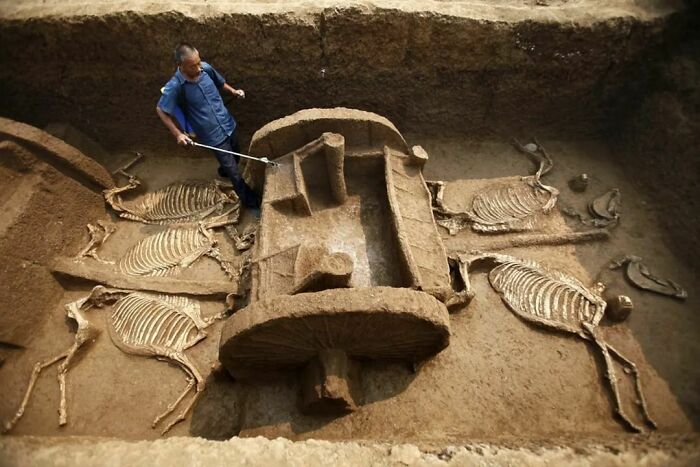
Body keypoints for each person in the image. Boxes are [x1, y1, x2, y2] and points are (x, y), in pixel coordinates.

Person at [156, 42, 260, 210]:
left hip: (227, 123)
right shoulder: (175, 86)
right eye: (192, 66)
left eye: (199, 62)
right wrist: (178, 134)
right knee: (235, 173)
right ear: (180, 66)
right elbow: (161, 110)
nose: (198, 68)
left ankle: (224, 170)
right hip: (212, 136)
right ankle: (253, 202)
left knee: (236, 154)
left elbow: (220, 83)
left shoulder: (206, 69)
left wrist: (233, 91)